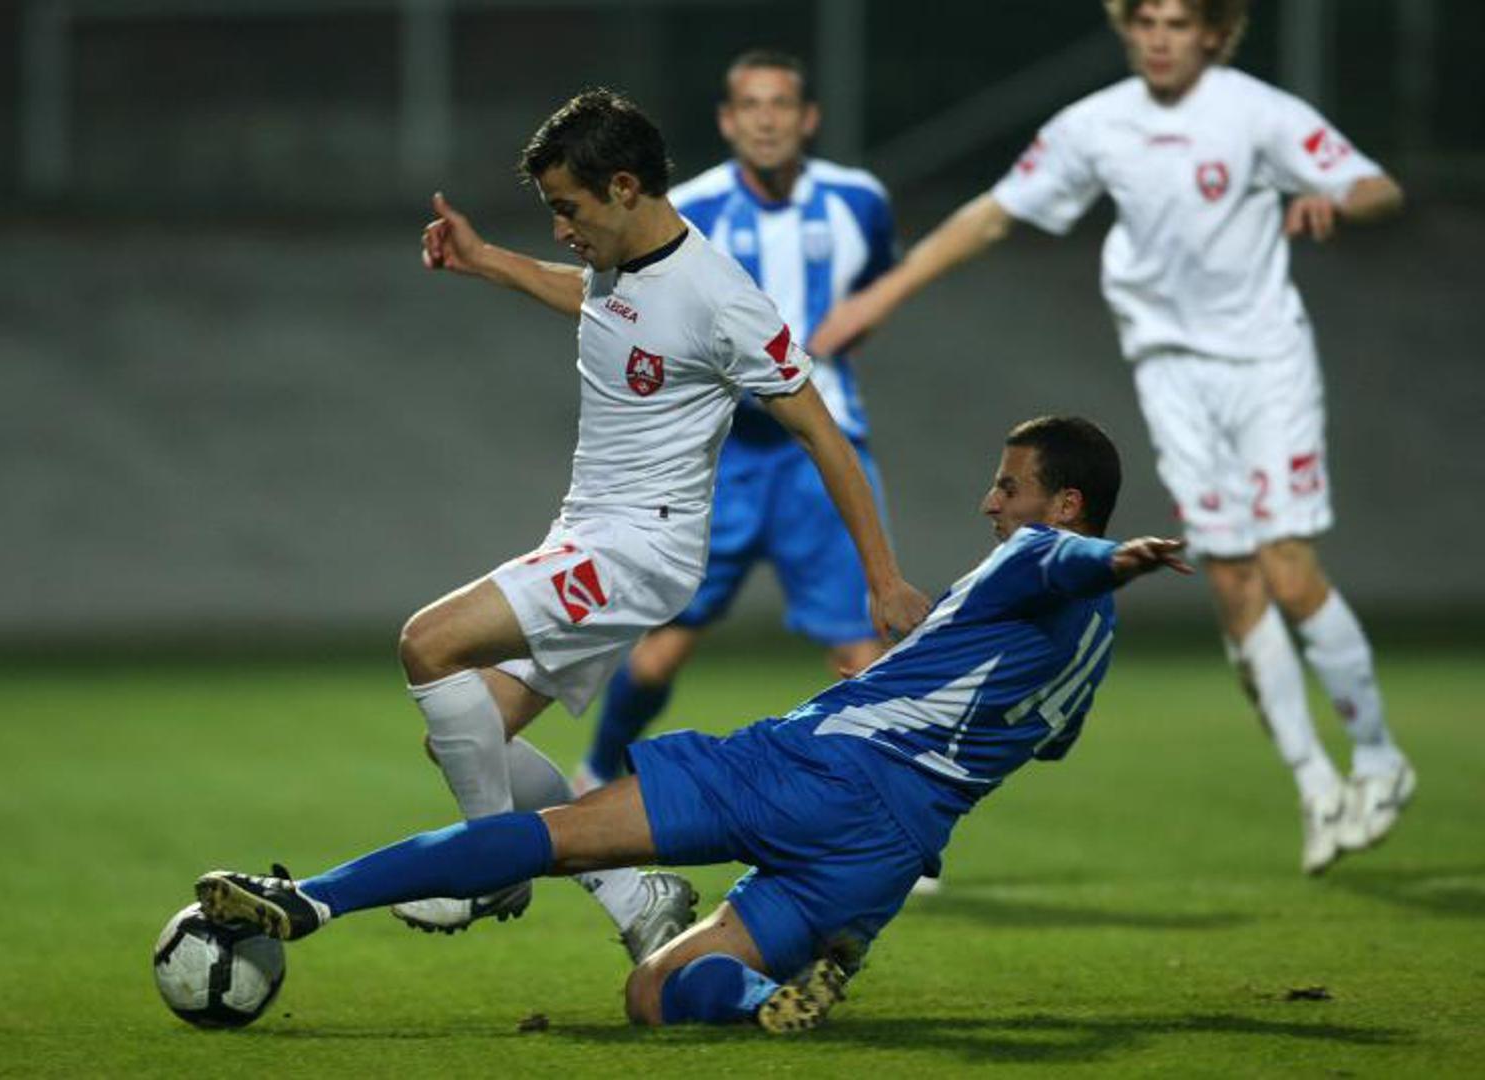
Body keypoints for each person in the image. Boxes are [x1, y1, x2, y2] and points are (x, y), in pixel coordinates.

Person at [196, 416, 1192, 1033]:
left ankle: (310, 901)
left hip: (810, 774)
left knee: (549, 837)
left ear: (1066, 505)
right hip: (883, 856)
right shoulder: (1091, 649)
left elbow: (1067, 562)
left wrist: (1118, 557)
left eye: (1009, 486)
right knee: (655, 995)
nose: (990, 502)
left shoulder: (1041, 555)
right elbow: (1043, 737)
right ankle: (763, 1002)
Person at [808, 0, 1412, 875]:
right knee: (1232, 580)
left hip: (1264, 364)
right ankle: (1318, 784)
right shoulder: (1098, 125)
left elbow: (1377, 186)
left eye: (1178, 22)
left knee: (1285, 568)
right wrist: (880, 297)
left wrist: (1337, 199)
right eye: (1145, 21)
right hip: (1171, 372)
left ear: (1213, 32)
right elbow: (993, 214)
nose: (1159, 37)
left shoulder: (1258, 113)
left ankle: (1380, 758)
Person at [388, 88, 929, 957]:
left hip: (637, 548)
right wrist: (486, 260)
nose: (561, 228)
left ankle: (489, 865)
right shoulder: (622, 264)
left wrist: (884, 577)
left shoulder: (720, 296)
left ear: (625, 187)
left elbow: (822, 433)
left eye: (568, 208)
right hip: (589, 535)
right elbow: (594, 301)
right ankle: (634, 896)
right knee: (466, 736)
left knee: (427, 644)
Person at [571, 50, 899, 799]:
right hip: (722, 457)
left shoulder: (858, 202)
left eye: (780, 104)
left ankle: (872, 812)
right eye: (750, 105)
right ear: (727, 120)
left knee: (863, 654)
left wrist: (849, 329)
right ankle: (595, 774)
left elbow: (874, 288)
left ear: (808, 118)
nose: (766, 120)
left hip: (818, 451)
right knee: (660, 651)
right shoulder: (691, 208)